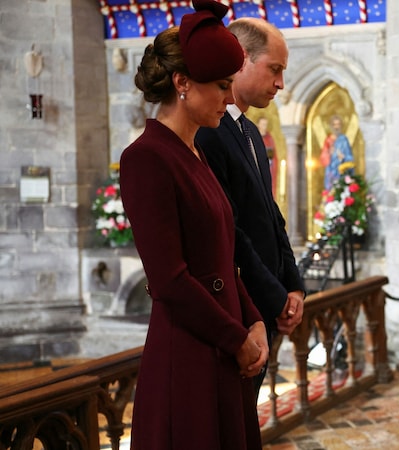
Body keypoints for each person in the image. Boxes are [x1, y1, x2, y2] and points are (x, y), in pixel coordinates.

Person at [118, 1, 267, 449]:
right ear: (182, 83)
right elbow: (170, 279)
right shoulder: (145, 158)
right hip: (189, 350)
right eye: (221, 86)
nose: (229, 97)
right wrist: (235, 338)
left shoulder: (195, 151)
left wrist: (254, 318)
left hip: (220, 340)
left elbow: (220, 255)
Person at [195, 17, 305, 396]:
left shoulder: (252, 133)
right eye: (274, 69)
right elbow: (232, 229)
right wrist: (276, 299)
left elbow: (272, 217)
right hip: (241, 309)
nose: (280, 83)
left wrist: (294, 286)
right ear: (241, 60)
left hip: (268, 302)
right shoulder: (210, 134)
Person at [321, 114, 355, 191]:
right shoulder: (328, 140)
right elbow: (323, 158)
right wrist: (329, 153)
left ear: (341, 126)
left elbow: (350, 157)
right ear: (331, 126)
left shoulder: (344, 139)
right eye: (334, 124)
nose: (336, 127)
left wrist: (343, 157)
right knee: (331, 189)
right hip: (331, 169)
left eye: (338, 124)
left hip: (342, 169)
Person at [257, 116, 278, 195]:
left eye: (265, 124)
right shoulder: (254, 135)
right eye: (262, 124)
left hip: (268, 166)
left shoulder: (269, 138)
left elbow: (273, 155)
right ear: (258, 124)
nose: (264, 126)